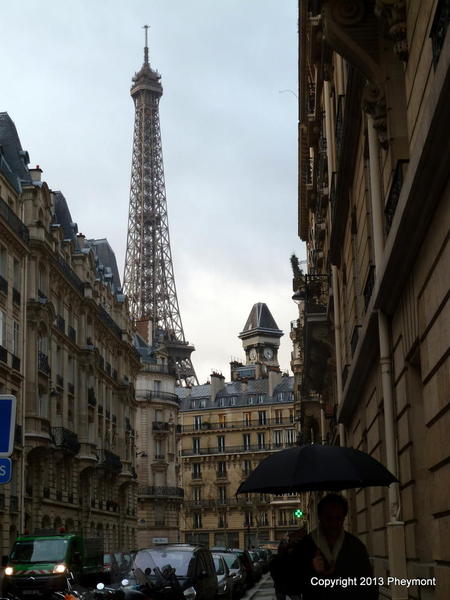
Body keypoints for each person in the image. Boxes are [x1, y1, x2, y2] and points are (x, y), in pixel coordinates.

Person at [288, 494, 378, 599]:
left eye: (338, 518)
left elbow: (369, 586)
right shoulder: (306, 545)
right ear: (320, 517)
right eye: (329, 518)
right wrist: (311, 569)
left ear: (344, 518)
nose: (334, 523)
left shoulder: (356, 546)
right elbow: (291, 587)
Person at [269, 527, 307, 600]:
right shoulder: (290, 558)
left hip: (281, 586)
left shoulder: (275, 560)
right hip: (290, 586)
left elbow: (273, 573)